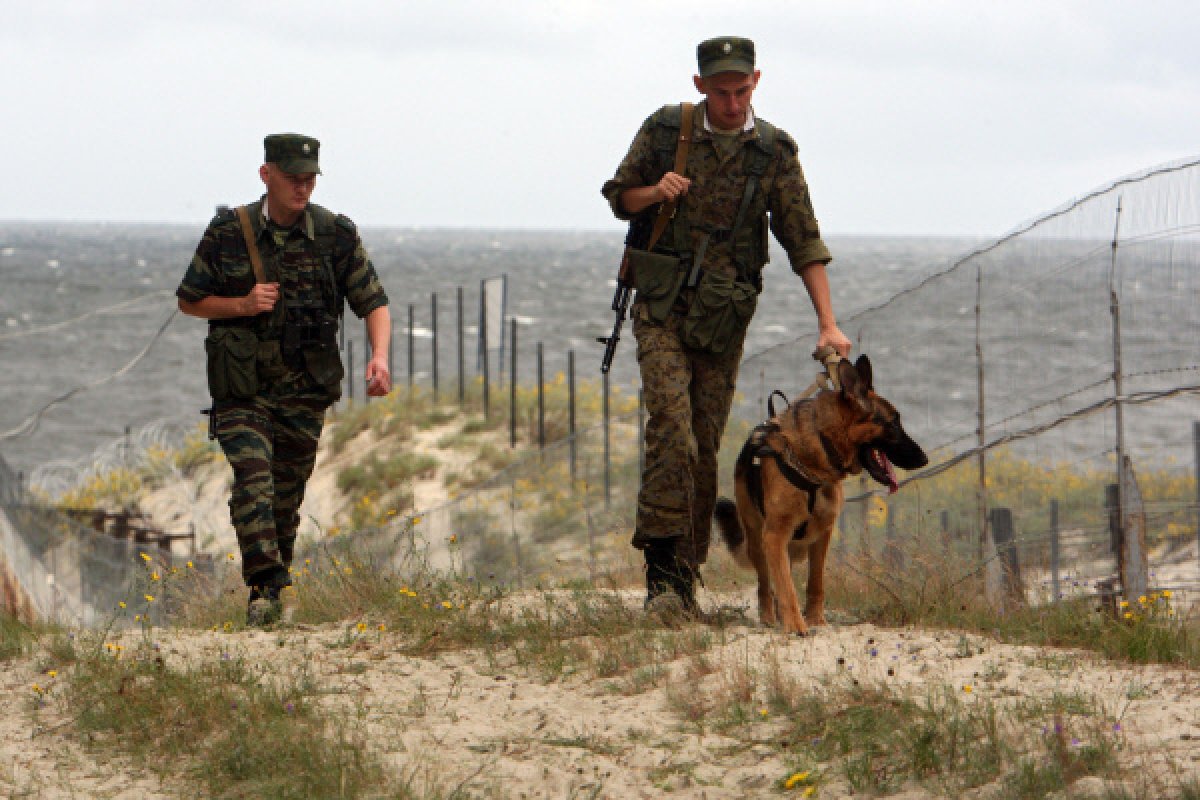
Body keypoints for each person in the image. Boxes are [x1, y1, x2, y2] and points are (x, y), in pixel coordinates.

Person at [601, 37, 852, 616]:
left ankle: (686, 576)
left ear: (756, 82)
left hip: (722, 321)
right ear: (700, 87)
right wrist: (654, 191)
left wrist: (828, 324)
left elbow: (803, 239)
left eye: (742, 90)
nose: (733, 102)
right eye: (721, 91)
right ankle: (663, 580)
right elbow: (619, 197)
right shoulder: (667, 130)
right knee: (672, 430)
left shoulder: (773, 153)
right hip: (660, 310)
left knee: (704, 449)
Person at [177, 133, 392, 626]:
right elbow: (189, 300)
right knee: (253, 478)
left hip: (304, 390)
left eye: (309, 179)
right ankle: (263, 589)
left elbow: (373, 302)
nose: (302, 188)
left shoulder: (335, 234)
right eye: (293, 179)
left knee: (285, 496)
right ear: (266, 174)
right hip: (243, 389)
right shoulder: (229, 231)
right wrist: (242, 305)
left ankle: (271, 595)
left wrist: (379, 358)